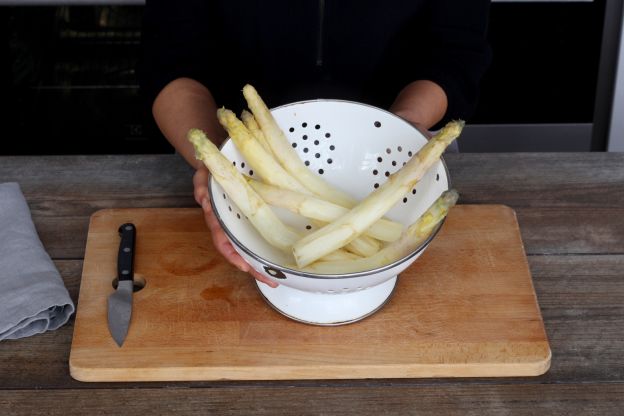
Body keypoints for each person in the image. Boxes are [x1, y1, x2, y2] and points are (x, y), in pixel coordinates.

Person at [140, 0, 491, 287]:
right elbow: (170, 61)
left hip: (404, 144)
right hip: (239, 151)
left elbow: (455, 53)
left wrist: (398, 130)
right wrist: (216, 160)